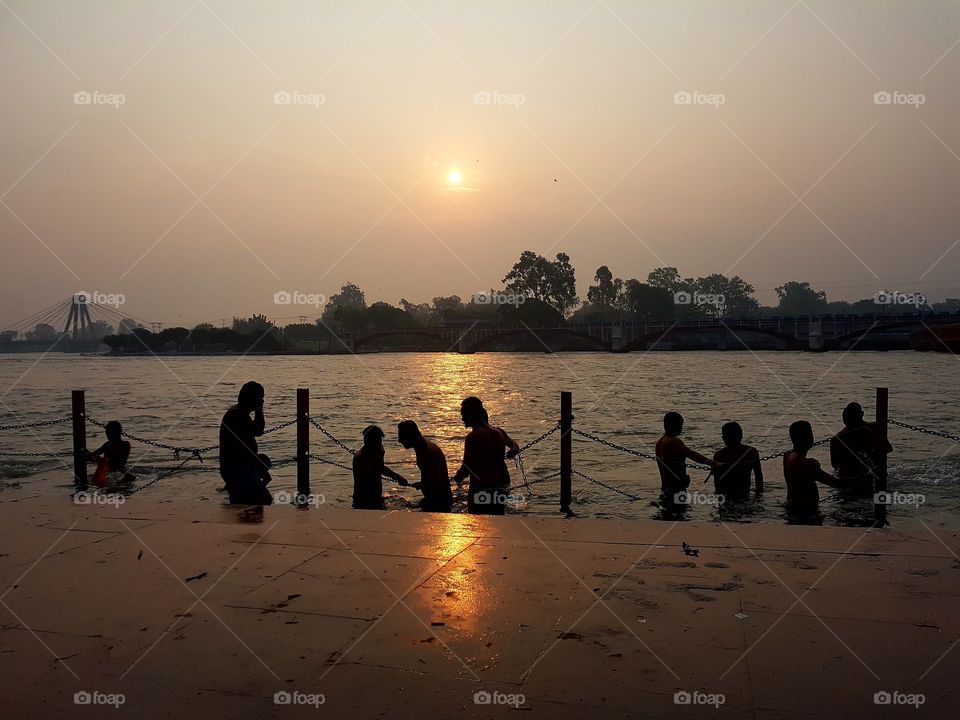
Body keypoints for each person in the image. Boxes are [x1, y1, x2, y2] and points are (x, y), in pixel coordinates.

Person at [453, 397, 516, 515]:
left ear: (472, 415)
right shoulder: (499, 432)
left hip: (482, 489)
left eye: (464, 415)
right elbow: (514, 445)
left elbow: (467, 467)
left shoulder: (473, 437)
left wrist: (458, 477)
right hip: (502, 486)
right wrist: (513, 449)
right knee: (498, 518)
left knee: (476, 522)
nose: (462, 419)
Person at [219, 381, 272, 505]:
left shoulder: (240, 412)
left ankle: (244, 491)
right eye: (260, 398)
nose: (262, 401)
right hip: (237, 468)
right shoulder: (237, 414)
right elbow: (258, 430)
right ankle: (243, 492)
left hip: (243, 464)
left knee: (264, 461)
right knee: (265, 499)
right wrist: (259, 410)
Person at [654, 412, 716, 508]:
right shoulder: (675, 441)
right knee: (680, 514)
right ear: (674, 425)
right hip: (676, 488)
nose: (681, 428)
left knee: (667, 513)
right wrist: (711, 462)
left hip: (666, 487)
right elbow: (691, 454)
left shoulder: (660, 442)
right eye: (680, 424)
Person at [783, 420, 844, 516]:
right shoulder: (807, 464)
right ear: (808, 437)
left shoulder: (787, 456)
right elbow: (836, 483)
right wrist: (866, 476)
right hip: (806, 512)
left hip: (793, 507)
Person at [830, 402, 893, 490]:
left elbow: (887, 448)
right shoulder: (838, 439)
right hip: (853, 477)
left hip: (863, 476)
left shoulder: (872, 429)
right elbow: (835, 464)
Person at [397, 420, 453, 512]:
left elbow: (435, 483)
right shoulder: (425, 446)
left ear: (410, 436)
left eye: (401, 436)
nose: (399, 440)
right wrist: (422, 484)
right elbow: (433, 478)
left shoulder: (426, 452)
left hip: (438, 501)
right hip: (439, 498)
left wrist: (423, 485)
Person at [352, 425, 408, 510]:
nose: (380, 443)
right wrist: (398, 478)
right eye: (378, 440)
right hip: (365, 500)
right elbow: (380, 468)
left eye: (380, 440)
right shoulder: (363, 456)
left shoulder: (372, 450)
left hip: (373, 497)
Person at [712, 422, 763, 499]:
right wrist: (758, 496)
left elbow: (717, 483)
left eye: (724, 435)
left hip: (727, 496)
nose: (722, 437)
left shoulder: (719, 455)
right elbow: (759, 477)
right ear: (741, 436)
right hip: (744, 494)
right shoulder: (751, 452)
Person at [87, 420, 132, 486]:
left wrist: (94, 457)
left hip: (113, 471)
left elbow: (96, 453)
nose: (107, 435)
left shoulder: (110, 444)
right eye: (107, 433)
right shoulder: (124, 444)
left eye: (108, 433)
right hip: (119, 471)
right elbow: (96, 453)